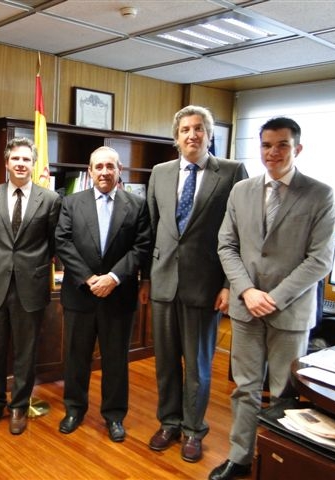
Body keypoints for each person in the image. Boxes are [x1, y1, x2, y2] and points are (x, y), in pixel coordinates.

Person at [210, 117, 335, 480]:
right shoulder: (241, 191)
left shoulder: (320, 194)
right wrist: (247, 291)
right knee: (245, 388)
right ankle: (240, 457)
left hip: (290, 311)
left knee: (285, 392)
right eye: (266, 145)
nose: (273, 152)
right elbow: (226, 245)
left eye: (282, 145)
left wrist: (274, 298)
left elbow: (320, 260)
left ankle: (278, 462)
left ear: (298, 148)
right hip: (246, 307)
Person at [138, 106, 248, 462]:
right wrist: (145, 277)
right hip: (163, 282)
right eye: (185, 129)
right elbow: (150, 228)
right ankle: (169, 423)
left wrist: (229, 285)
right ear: (176, 137)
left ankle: (193, 430)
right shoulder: (160, 172)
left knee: (198, 365)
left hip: (206, 285)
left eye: (199, 128)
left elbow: (241, 234)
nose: (192, 134)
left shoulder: (231, 172)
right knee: (166, 362)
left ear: (209, 134)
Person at [55, 146, 151, 442]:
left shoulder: (137, 205)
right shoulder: (71, 202)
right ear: (90, 171)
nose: (105, 172)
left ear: (119, 170)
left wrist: (113, 277)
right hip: (80, 295)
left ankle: (114, 415)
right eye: (99, 167)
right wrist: (88, 278)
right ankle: (74, 409)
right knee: (76, 357)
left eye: (110, 166)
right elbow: (63, 241)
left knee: (116, 360)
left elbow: (142, 246)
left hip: (118, 296)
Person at [0, 137, 61, 435]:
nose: (21, 164)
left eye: (26, 159)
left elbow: (53, 242)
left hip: (31, 285)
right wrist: (1, 261)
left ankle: (19, 406)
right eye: (16, 159)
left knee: (26, 351)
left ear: (33, 164)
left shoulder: (49, 199)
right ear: (7, 162)